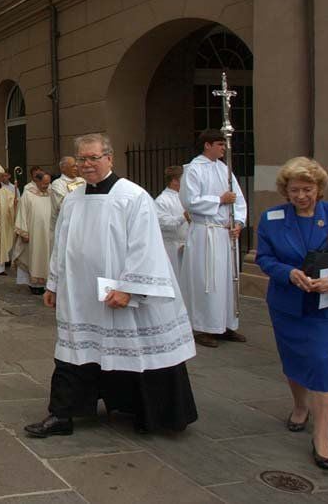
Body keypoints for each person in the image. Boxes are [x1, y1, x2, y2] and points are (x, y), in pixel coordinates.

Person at [24, 134, 196, 438]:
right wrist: (53, 283)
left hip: (118, 294)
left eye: (93, 158)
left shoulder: (132, 196)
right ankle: (61, 415)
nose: (87, 164)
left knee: (135, 349)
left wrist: (130, 288)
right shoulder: (73, 199)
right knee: (74, 353)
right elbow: (61, 245)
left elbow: (146, 247)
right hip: (80, 294)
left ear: (110, 158)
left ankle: (148, 413)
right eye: (82, 159)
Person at [255, 158, 328, 471]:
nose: (301, 196)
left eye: (307, 189)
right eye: (294, 190)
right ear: (285, 191)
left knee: (320, 361)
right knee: (293, 360)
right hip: (288, 305)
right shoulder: (272, 218)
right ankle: (300, 406)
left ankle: (322, 438)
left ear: (319, 189)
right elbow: (264, 258)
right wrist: (288, 273)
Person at [179, 129, 248, 348]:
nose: (223, 147)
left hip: (225, 233)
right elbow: (190, 201)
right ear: (207, 145)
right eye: (219, 144)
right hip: (204, 233)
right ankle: (203, 327)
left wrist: (239, 223)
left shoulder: (224, 169)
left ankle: (226, 324)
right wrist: (219, 199)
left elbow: (238, 199)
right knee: (206, 281)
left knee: (227, 281)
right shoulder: (193, 169)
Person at [13, 166, 52, 294]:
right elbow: (22, 212)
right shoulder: (28, 193)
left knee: (48, 256)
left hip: (49, 232)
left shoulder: (51, 192)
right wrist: (24, 232)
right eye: (45, 183)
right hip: (34, 232)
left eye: (48, 183)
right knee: (35, 256)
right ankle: (34, 284)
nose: (47, 186)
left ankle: (48, 284)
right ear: (37, 181)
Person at [155, 165, 189, 273]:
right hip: (172, 249)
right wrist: (184, 217)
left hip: (188, 247)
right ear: (174, 181)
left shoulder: (187, 197)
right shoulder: (162, 200)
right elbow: (163, 223)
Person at [50, 155, 85, 233]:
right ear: (63, 168)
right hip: (65, 225)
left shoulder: (82, 180)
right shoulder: (58, 184)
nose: (76, 169)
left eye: (76, 166)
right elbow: (63, 205)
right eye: (73, 166)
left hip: (82, 223)